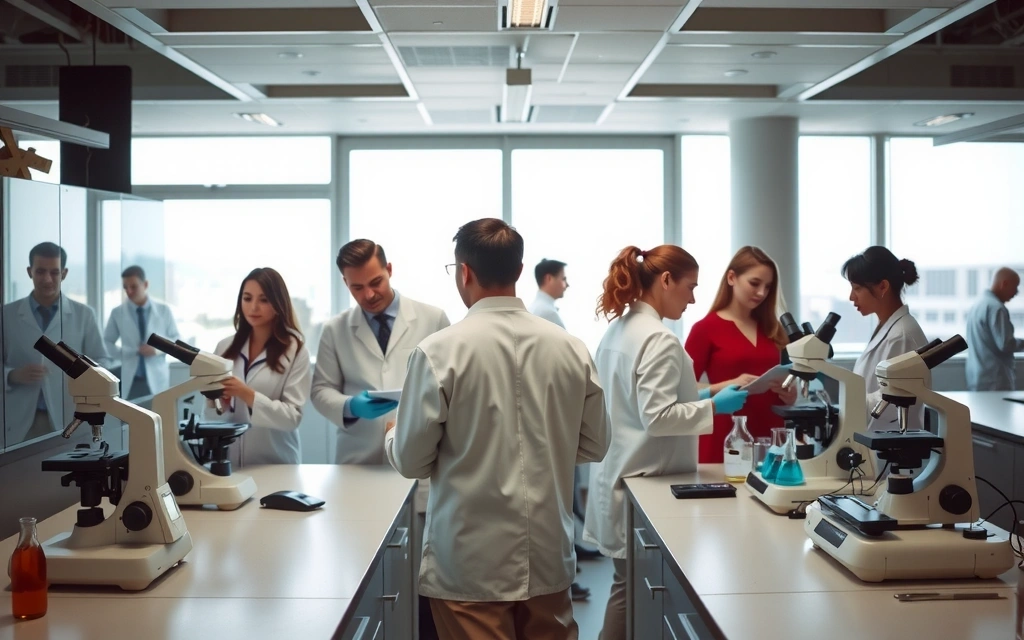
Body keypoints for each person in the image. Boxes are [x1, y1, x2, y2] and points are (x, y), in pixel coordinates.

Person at [385, 218, 609, 640]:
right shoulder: (570, 347)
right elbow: (596, 444)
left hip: (471, 563)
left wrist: (393, 433)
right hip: (547, 554)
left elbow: (412, 460)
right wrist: (547, 449)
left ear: (464, 272)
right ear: (521, 271)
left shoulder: (439, 351)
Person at [583, 244, 748, 640]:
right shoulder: (658, 338)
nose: (693, 299)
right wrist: (715, 409)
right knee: (627, 593)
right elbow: (657, 418)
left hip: (623, 473)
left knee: (625, 587)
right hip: (643, 479)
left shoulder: (620, 330)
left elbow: (639, 403)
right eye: (690, 287)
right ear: (666, 280)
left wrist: (711, 393)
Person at [311, 239, 450, 465]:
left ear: (389, 270)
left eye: (376, 282)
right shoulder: (335, 329)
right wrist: (350, 406)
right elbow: (320, 390)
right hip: (358, 459)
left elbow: (451, 387)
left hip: (418, 456)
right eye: (357, 287)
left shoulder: (433, 319)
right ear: (345, 282)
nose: (369, 295)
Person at [685, 246, 797, 463]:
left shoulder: (773, 330)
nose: (762, 293)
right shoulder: (705, 329)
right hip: (725, 436)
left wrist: (791, 395)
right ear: (731, 277)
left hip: (771, 437)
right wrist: (728, 384)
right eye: (754, 284)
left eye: (768, 287)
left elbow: (790, 379)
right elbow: (684, 389)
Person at [526, 257, 596, 603]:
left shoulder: (543, 310)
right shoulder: (545, 314)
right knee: (557, 506)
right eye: (563, 279)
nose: (566, 284)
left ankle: (572, 557)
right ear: (548, 278)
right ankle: (566, 576)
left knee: (563, 502)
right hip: (549, 421)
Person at [3, 242, 108, 446]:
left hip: (69, 417)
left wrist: (80, 374)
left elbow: (102, 361)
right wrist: (12, 375)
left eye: (54, 272)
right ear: (29, 271)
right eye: (40, 271)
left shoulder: (84, 315)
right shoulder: (6, 315)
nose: (47, 279)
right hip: (18, 420)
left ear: (64, 273)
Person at [211, 267, 311, 465]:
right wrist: (218, 403)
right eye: (247, 298)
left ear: (278, 304)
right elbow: (211, 414)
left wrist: (248, 395)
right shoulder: (224, 347)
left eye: (263, 300)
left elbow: (292, 417)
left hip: (276, 462)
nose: (253, 307)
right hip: (229, 464)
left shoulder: (295, 350)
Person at [842, 247, 928, 431]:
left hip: (891, 448)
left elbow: (891, 399)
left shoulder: (902, 335)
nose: (851, 297)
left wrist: (843, 408)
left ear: (883, 286)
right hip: (874, 439)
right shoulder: (888, 327)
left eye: (857, 288)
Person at [104, 265, 180, 399]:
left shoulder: (163, 311)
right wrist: (126, 352)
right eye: (125, 287)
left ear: (145, 284)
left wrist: (158, 349)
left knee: (160, 414)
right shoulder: (117, 313)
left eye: (133, 286)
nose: (129, 291)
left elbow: (177, 340)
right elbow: (106, 342)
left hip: (156, 377)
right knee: (130, 417)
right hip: (131, 378)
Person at [965, 267, 1023, 391]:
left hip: (978, 379)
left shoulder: (978, 304)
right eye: (1016, 287)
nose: (1016, 293)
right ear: (1005, 284)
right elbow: (1006, 344)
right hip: (995, 381)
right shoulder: (997, 308)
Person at [529, 258, 568, 328]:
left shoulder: (534, 308)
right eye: (563, 279)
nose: (567, 285)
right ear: (549, 278)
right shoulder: (547, 313)